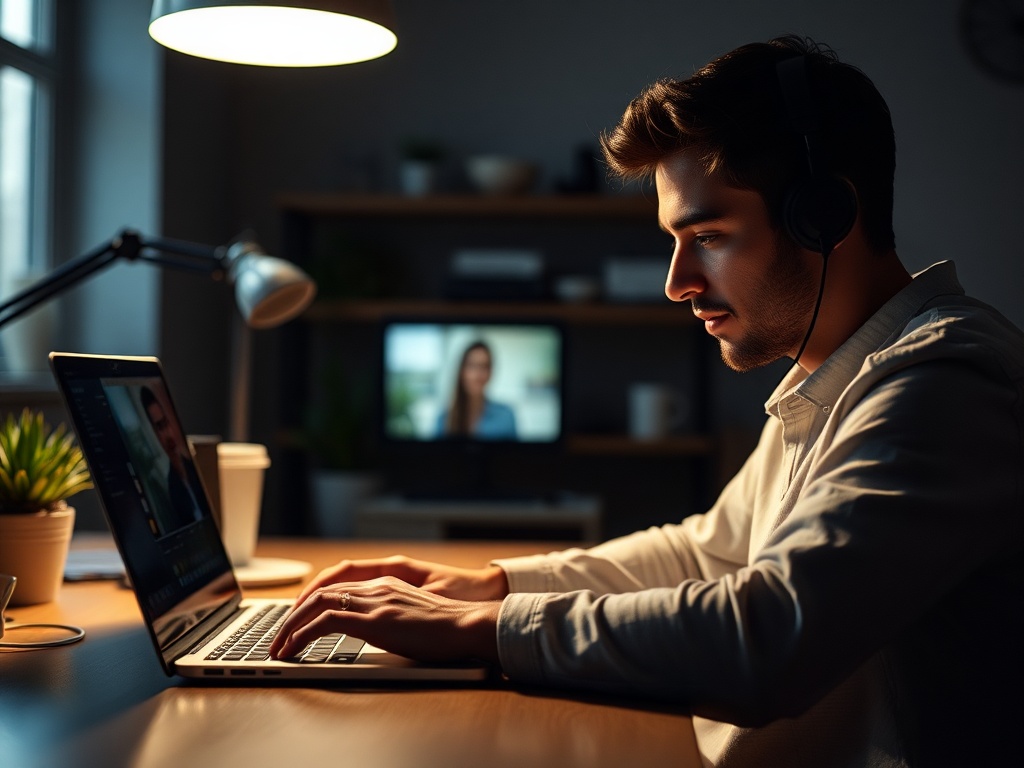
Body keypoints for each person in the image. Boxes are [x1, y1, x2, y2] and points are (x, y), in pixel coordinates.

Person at [271, 36, 1023, 766]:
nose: (676, 281)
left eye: (710, 236)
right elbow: (709, 552)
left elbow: (770, 633)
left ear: (824, 218)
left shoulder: (944, 381)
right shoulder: (833, 377)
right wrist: (494, 584)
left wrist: (490, 627)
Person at [141, 385, 206, 531]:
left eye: (165, 423)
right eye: (159, 427)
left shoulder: (195, 468)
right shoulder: (172, 490)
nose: (167, 434)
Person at [435, 340, 518, 439]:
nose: (477, 375)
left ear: (490, 373)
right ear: (461, 371)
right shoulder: (443, 420)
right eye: (471, 366)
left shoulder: (506, 416)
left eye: (484, 367)